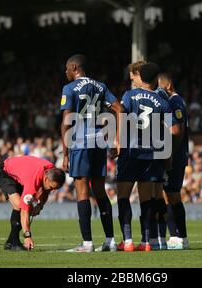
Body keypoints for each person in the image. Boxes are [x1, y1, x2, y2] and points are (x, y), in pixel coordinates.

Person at [60, 54, 122, 252]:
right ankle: (110, 240)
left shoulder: (69, 89)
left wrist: (65, 153)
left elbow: (66, 121)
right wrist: (117, 139)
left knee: (82, 192)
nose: (65, 73)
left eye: (67, 69)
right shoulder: (101, 86)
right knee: (100, 191)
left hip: (79, 142)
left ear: (74, 67)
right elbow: (119, 108)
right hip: (98, 143)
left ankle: (87, 243)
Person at [116, 62, 172, 252]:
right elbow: (167, 132)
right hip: (153, 153)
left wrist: (118, 142)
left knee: (123, 196)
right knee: (146, 199)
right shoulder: (164, 103)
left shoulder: (129, 95)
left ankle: (128, 241)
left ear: (141, 76)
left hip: (132, 151)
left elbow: (122, 118)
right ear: (155, 79)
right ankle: (147, 242)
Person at [0, 155, 65, 251]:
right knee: (20, 206)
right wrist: (27, 236)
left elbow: (45, 191)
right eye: (52, 187)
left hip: (19, 177)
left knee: (27, 208)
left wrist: (40, 205)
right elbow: (24, 211)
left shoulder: (51, 171)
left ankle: (10, 242)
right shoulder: (34, 179)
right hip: (5, 173)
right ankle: (14, 243)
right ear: (46, 179)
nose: (52, 190)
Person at [158, 73, 190, 250]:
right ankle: (179, 237)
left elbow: (178, 131)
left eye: (159, 87)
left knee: (172, 196)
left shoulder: (174, 102)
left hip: (175, 156)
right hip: (178, 155)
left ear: (168, 85)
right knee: (170, 195)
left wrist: (169, 153)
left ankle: (178, 237)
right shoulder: (179, 101)